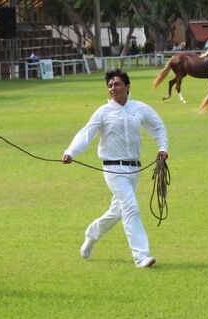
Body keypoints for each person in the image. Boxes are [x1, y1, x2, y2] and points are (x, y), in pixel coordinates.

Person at [61, 69, 168, 269]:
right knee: (131, 207)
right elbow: (86, 133)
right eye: (110, 85)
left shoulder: (140, 108)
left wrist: (162, 148)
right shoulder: (102, 112)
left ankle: (91, 235)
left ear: (127, 87)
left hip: (134, 169)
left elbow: (158, 127)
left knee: (116, 212)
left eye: (117, 84)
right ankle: (141, 256)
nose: (113, 88)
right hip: (112, 169)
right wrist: (71, 152)